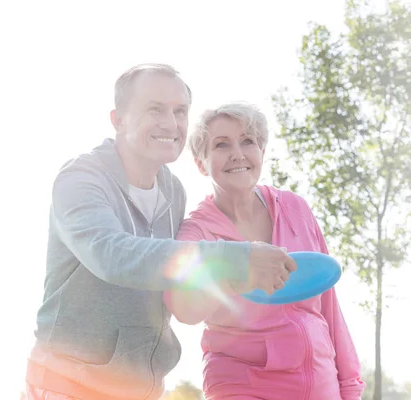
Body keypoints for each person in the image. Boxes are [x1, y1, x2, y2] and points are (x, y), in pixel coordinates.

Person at [25, 65, 297, 400]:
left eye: (180, 111)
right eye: (155, 109)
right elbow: (112, 255)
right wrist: (237, 258)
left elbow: (175, 273)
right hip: (68, 385)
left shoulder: (174, 191)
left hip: (143, 389)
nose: (171, 123)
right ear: (119, 119)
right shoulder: (80, 179)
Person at [164, 103, 365, 400]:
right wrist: (235, 273)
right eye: (221, 145)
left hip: (321, 381)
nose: (238, 154)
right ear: (201, 163)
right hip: (241, 384)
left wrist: (349, 386)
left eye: (248, 141)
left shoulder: (295, 208)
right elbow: (183, 308)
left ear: (262, 151)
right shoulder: (196, 233)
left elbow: (329, 305)